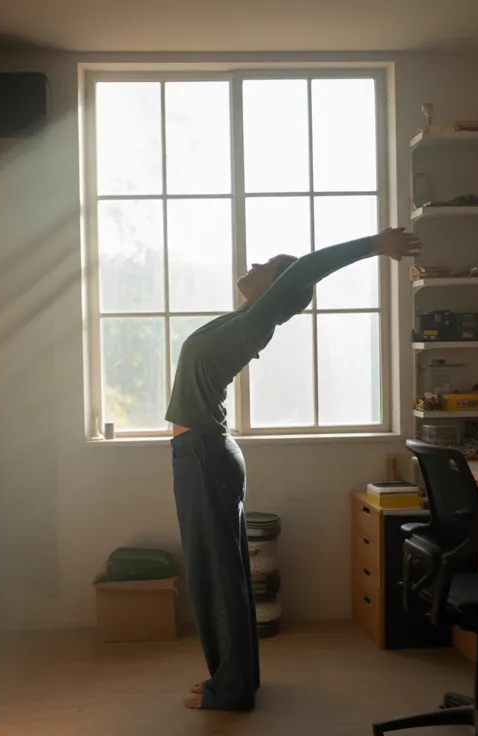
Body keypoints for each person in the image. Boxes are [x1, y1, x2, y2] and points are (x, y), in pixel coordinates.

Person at [166, 227, 424, 711]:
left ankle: (233, 688)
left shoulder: (256, 322)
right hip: (201, 456)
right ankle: (232, 677)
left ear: (276, 288)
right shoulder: (240, 320)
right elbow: (290, 277)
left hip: (202, 456)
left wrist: (373, 244)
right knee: (221, 577)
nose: (254, 264)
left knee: (217, 579)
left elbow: (305, 269)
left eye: (265, 264)